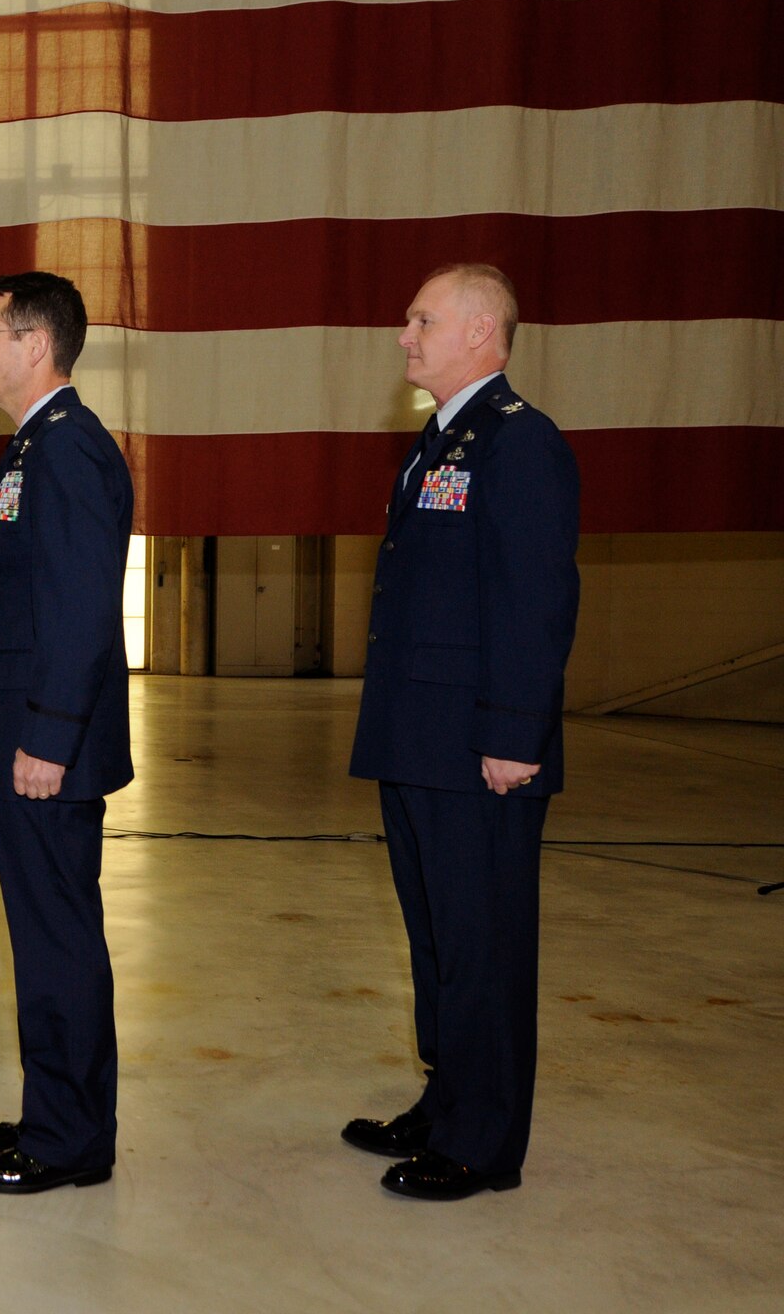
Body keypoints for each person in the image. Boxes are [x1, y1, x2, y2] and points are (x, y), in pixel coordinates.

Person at [346, 263, 580, 1200]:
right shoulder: (438, 441)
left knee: (483, 942)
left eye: (422, 319)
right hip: (419, 738)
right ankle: (447, 1102)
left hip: (483, 747)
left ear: (482, 332)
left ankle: (484, 1144)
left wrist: (516, 734)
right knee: (438, 936)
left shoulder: (521, 445)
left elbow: (536, 598)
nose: (404, 335)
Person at [0, 272, 134, 1195]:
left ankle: (68, 1139)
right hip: (29, 738)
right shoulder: (39, 445)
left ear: (36, 345)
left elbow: (79, 610)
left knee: (59, 939)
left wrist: (51, 736)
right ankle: (56, 1109)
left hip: (44, 749)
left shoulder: (64, 451)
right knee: (44, 937)